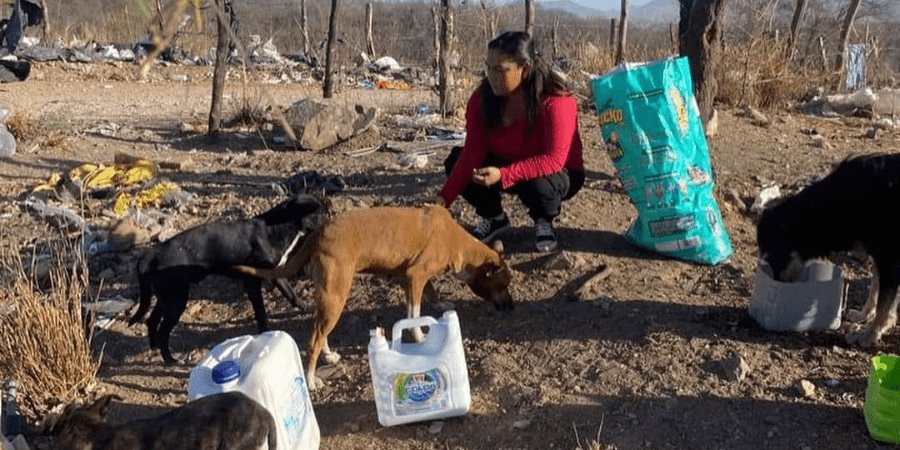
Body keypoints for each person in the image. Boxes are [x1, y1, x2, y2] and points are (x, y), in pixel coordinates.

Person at [430, 31, 585, 252]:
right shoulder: (482, 99)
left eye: (500, 70)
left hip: (558, 174)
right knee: (457, 161)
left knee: (537, 183)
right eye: (489, 68)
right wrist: (442, 200)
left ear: (524, 69)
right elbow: (472, 152)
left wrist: (504, 175)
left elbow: (554, 160)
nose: (491, 76)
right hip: (507, 165)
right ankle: (494, 217)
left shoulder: (555, 100)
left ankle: (544, 221)